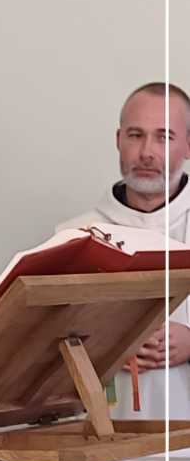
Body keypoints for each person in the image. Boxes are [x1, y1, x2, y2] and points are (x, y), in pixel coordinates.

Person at [57, 81, 190, 419]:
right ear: (118, 140)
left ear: (188, 145)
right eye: (135, 135)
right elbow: (42, 348)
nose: (147, 152)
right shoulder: (73, 237)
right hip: (108, 434)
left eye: (164, 137)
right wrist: (111, 346)